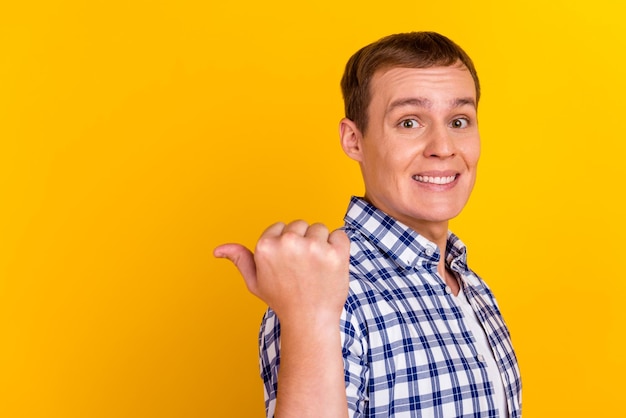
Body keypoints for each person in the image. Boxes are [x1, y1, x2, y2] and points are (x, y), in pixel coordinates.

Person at [215, 31, 522, 418]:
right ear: (354, 140)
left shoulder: (474, 288)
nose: (443, 147)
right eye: (409, 123)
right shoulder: (326, 293)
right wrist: (309, 317)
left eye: (459, 120)